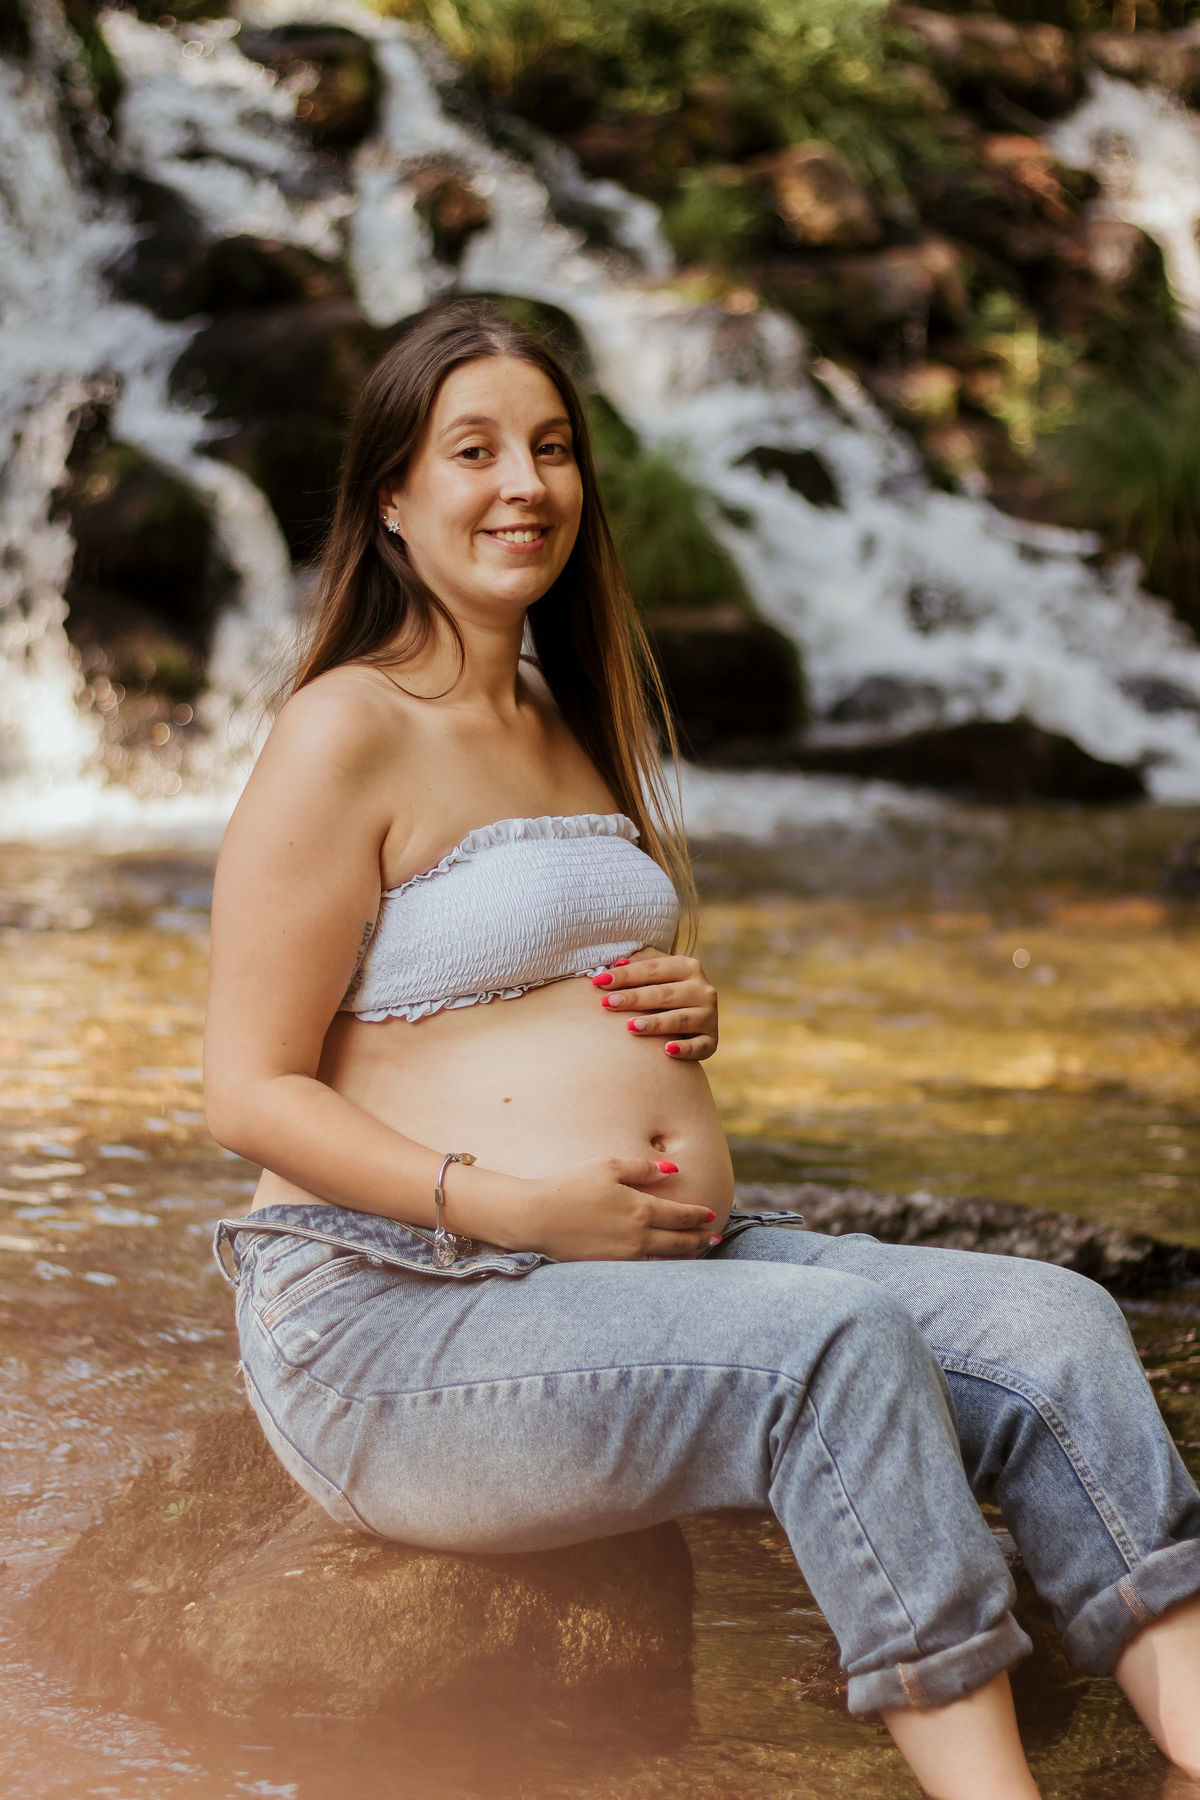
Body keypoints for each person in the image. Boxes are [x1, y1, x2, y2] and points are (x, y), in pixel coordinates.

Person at [204, 298, 1200, 1800]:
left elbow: (497, 979)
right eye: (471, 450)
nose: (522, 483)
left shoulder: (556, 707)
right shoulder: (343, 729)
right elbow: (246, 1090)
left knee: (1056, 1329)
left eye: (550, 447)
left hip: (635, 1269)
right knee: (835, 1350)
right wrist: (509, 1197)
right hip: (398, 1316)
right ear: (393, 502)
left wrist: (668, 1006)